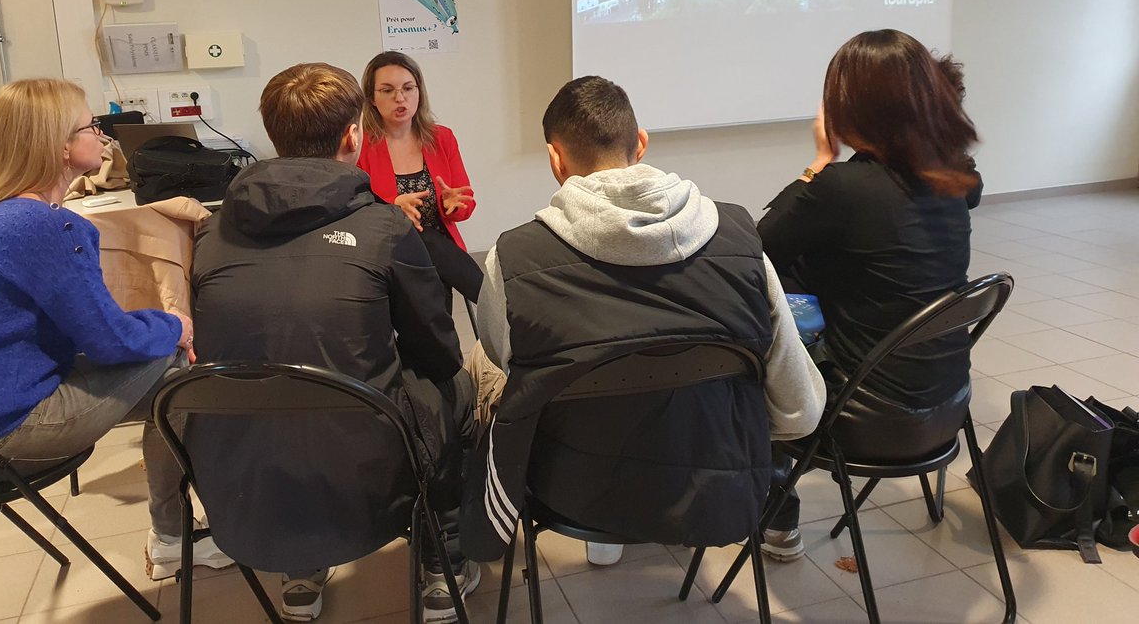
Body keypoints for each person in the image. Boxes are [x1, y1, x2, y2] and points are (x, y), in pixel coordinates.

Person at [461, 75, 825, 566]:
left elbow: (509, 363)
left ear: (555, 158)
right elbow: (798, 411)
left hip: (569, 488)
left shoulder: (515, 257)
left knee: (483, 363)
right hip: (720, 483)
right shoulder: (743, 242)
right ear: (642, 143)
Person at [190, 62, 479, 623]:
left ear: (276, 136)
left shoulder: (209, 231)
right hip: (365, 453)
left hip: (242, 458)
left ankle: (302, 563)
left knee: (285, 390)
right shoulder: (383, 229)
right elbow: (438, 353)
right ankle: (441, 561)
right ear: (353, 135)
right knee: (455, 386)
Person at [0, 78, 230, 581]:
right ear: (60, 145)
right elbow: (109, 340)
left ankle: (174, 532)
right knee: (180, 370)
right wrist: (175, 323)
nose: (103, 137)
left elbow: (88, 332)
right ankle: (174, 536)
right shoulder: (47, 225)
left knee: (171, 383)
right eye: (91, 126)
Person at [758, 29, 983, 561]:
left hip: (865, 419)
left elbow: (757, 253)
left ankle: (777, 521)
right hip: (946, 408)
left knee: (751, 349)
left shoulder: (841, 189)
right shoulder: (954, 181)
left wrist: (819, 159)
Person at [357, 50, 484, 306]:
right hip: (388, 251)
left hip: (437, 256)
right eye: (387, 90)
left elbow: (465, 201)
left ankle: (491, 309)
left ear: (419, 92)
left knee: (432, 267)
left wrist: (453, 205)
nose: (400, 97)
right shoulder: (361, 145)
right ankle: (497, 305)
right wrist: (392, 210)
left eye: (408, 88)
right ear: (371, 98)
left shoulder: (442, 138)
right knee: (423, 244)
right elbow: (352, 210)